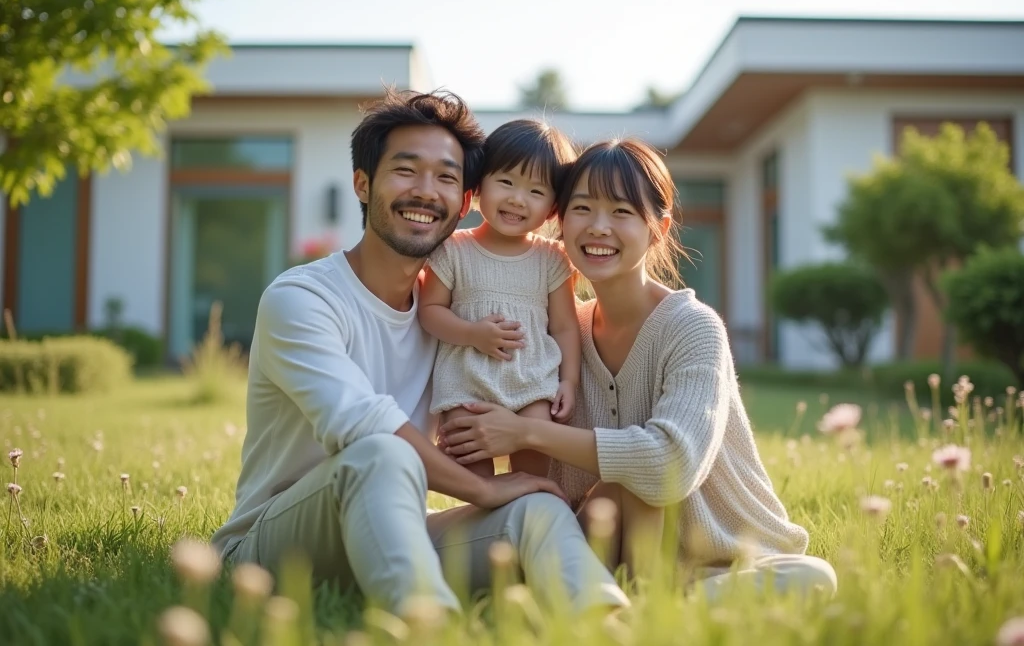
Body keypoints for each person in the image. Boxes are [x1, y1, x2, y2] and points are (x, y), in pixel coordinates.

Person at [210, 90, 629, 617]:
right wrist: (483, 489)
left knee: (535, 506)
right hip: (274, 550)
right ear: (363, 183)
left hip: (394, 531)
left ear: (464, 196)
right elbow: (366, 426)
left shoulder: (455, 312)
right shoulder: (302, 299)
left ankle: (605, 620)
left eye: (447, 177)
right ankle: (430, 624)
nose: (426, 192)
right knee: (383, 452)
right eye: (407, 171)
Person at [438, 138, 838, 598]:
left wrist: (524, 433)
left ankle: (652, 611)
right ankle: (642, 610)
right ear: (559, 221)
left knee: (814, 579)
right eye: (583, 208)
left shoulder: (693, 328)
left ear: (658, 229)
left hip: (726, 563)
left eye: (622, 212)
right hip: (605, 556)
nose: (598, 228)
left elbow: (670, 465)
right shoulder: (553, 334)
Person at [419, 119, 579, 479]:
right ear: (478, 186)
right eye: (506, 182)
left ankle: (529, 521)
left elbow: (566, 327)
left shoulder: (551, 258)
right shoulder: (454, 249)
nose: (517, 199)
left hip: (532, 384)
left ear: (553, 208)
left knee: (535, 463)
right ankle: (479, 526)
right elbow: (430, 312)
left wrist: (568, 381)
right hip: (466, 385)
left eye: (536, 192)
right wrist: (473, 334)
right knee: (470, 466)